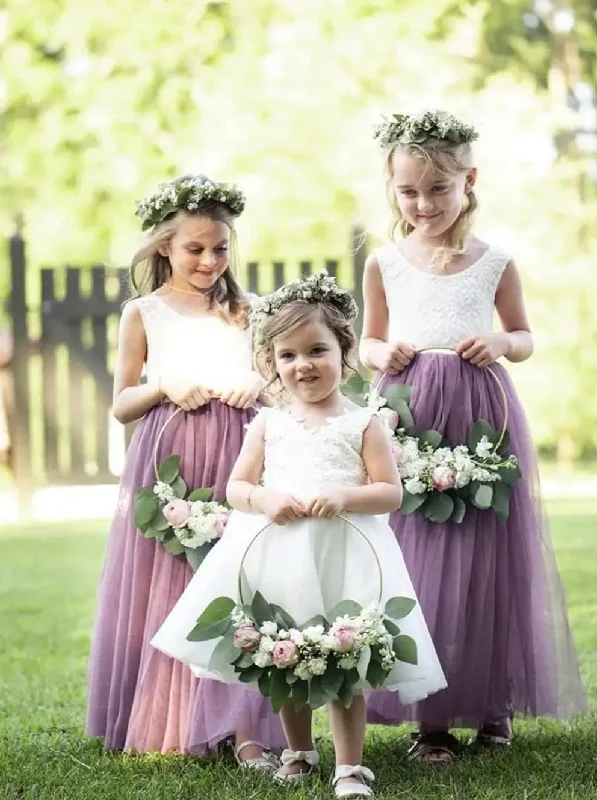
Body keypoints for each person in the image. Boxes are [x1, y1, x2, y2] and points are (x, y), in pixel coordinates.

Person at [151, 274, 447, 798]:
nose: (303, 365)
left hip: (345, 552)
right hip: (279, 550)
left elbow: (390, 493)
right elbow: (237, 486)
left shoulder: (364, 423)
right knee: (283, 651)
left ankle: (351, 767)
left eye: (317, 350)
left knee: (344, 654)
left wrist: (343, 496)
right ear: (272, 363)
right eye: (288, 356)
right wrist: (263, 499)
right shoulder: (268, 422)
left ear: (344, 351)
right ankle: (298, 750)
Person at [361, 110, 586, 763]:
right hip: (406, 413)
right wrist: (383, 352)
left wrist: (497, 340)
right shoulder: (383, 262)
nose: (423, 203)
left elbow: (523, 335)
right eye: (408, 191)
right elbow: (365, 342)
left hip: (478, 415)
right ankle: (425, 718)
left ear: (469, 181)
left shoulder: (494, 261)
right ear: (391, 188)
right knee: (416, 562)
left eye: (438, 188)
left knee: (485, 564)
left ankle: (492, 707)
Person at [86, 174, 284, 767]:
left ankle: (246, 728)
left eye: (219, 248)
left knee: (241, 581)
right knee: (169, 584)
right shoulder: (143, 313)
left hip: (238, 455)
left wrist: (259, 382)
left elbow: (285, 385)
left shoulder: (249, 312)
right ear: (164, 249)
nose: (208, 260)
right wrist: (161, 385)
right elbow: (121, 402)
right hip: (169, 458)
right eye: (194, 248)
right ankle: (172, 719)